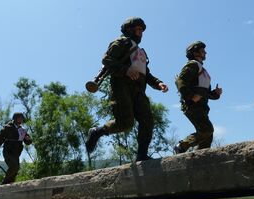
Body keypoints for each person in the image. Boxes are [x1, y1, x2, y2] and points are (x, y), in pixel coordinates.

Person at [85, 17, 169, 161]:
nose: (140, 32)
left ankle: (141, 155)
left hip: (139, 90)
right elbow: (107, 60)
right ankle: (97, 132)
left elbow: (146, 73)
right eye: (137, 29)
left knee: (147, 120)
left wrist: (158, 83)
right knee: (125, 122)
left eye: (142, 30)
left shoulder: (141, 52)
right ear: (129, 30)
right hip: (122, 86)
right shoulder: (121, 42)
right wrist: (126, 70)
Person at [174, 41, 222, 154]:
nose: (205, 52)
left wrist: (215, 93)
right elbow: (180, 81)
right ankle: (181, 146)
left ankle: (200, 156)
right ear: (195, 53)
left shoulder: (202, 70)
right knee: (207, 130)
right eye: (202, 50)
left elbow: (204, 92)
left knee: (207, 136)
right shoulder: (193, 65)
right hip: (192, 105)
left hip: (202, 106)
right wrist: (190, 97)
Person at [0, 112, 32, 184]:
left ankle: (10, 183)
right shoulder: (8, 127)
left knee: (16, 169)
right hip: (8, 150)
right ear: (15, 119)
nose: (21, 120)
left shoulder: (23, 130)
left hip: (17, 152)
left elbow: (27, 141)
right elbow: (0, 136)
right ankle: (4, 181)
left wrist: (28, 140)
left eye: (22, 118)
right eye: (19, 118)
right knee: (14, 166)